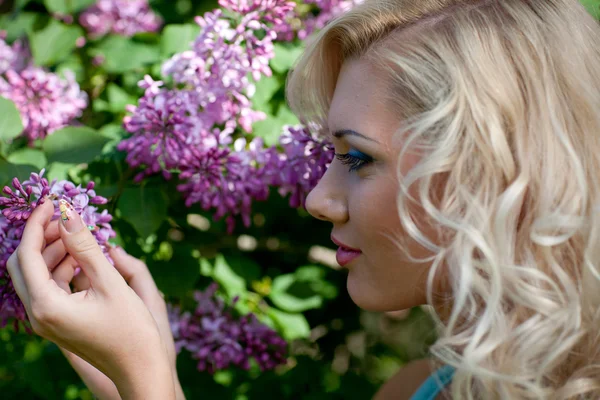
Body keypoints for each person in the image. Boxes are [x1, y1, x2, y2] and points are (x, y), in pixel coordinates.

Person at [7, 0, 600, 398]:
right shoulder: (421, 387)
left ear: (494, 174)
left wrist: (149, 379)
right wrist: (132, 377)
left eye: (359, 158)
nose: (317, 198)